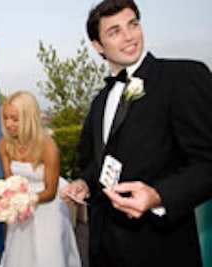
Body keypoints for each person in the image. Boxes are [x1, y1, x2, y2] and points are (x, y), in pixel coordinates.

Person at [60, 1, 212, 266]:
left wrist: (159, 196)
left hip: (159, 249)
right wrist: (85, 183)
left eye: (133, 24)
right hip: (102, 247)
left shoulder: (183, 76)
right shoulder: (99, 101)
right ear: (98, 45)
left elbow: (207, 162)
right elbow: (97, 161)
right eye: (114, 31)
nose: (129, 36)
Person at [0, 91, 81, 267]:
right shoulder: (4, 144)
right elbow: (8, 181)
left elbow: (51, 191)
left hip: (48, 205)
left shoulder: (48, 147)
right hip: (21, 207)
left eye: (14, 118)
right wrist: (1, 201)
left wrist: (28, 200)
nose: (8, 124)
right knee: (19, 252)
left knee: (48, 254)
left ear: (29, 119)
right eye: (5, 118)